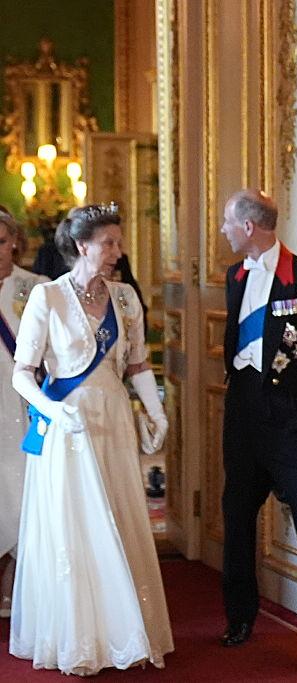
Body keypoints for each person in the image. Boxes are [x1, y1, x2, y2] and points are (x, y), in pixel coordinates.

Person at [8, 203, 173, 674]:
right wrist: (52, 410)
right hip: (67, 427)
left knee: (118, 518)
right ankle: (80, 640)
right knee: (77, 525)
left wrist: (156, 411)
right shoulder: (48, 297)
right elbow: (23, 374)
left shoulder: (124, 297)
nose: (118, 251)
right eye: (108, 243)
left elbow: (137, 365)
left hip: (113, 421)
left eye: (118, 242)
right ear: (82, 246)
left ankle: (124, 634)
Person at [218, 189, 297, 669]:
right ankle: (239, 618)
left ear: (249, 227)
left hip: (292, 425)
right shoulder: (235, 276)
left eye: (228, 222)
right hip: (243, 418)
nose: (224, 231)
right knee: (236, 519)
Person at [0, 211, 48, 618]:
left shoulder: (36, 288)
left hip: (22, 403)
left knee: (21, 487)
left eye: (1, 241)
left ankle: (15, 583)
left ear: (15, 241)